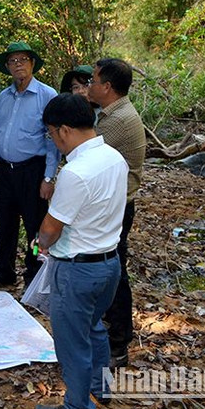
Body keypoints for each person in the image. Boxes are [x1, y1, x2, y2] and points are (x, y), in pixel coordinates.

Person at [34, 93, 127, 409]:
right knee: (94, 329)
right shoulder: (114, 157)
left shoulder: (76, 172)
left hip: (77, 271)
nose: (53, 140)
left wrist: (39, 244)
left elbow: (50, 228)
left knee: (72, 343)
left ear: (62, 130)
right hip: (109, 264)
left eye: (50, 133)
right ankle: (101, 388)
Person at [0, 41, 59, 289]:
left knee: (35, 227)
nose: (18, 65)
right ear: (7, 67)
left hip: (32, 170)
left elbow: (53, 140)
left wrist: (48, 177)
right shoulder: (4, 96)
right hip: (5, 171)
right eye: (13, 61)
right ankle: (4, 272)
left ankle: (34, 276)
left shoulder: (47, 95)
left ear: (32, 63)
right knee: (5, 224)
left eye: (23, 59)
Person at [87, 57, 147, 369]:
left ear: (107, 87)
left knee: (115, 271)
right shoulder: (113, 112)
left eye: (93, 81)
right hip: (113, 204)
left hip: (117, 208)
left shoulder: (118, 121)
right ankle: (110, 331)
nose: (89, 86)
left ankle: (119, 342)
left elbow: (83, 154)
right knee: (111, 268)